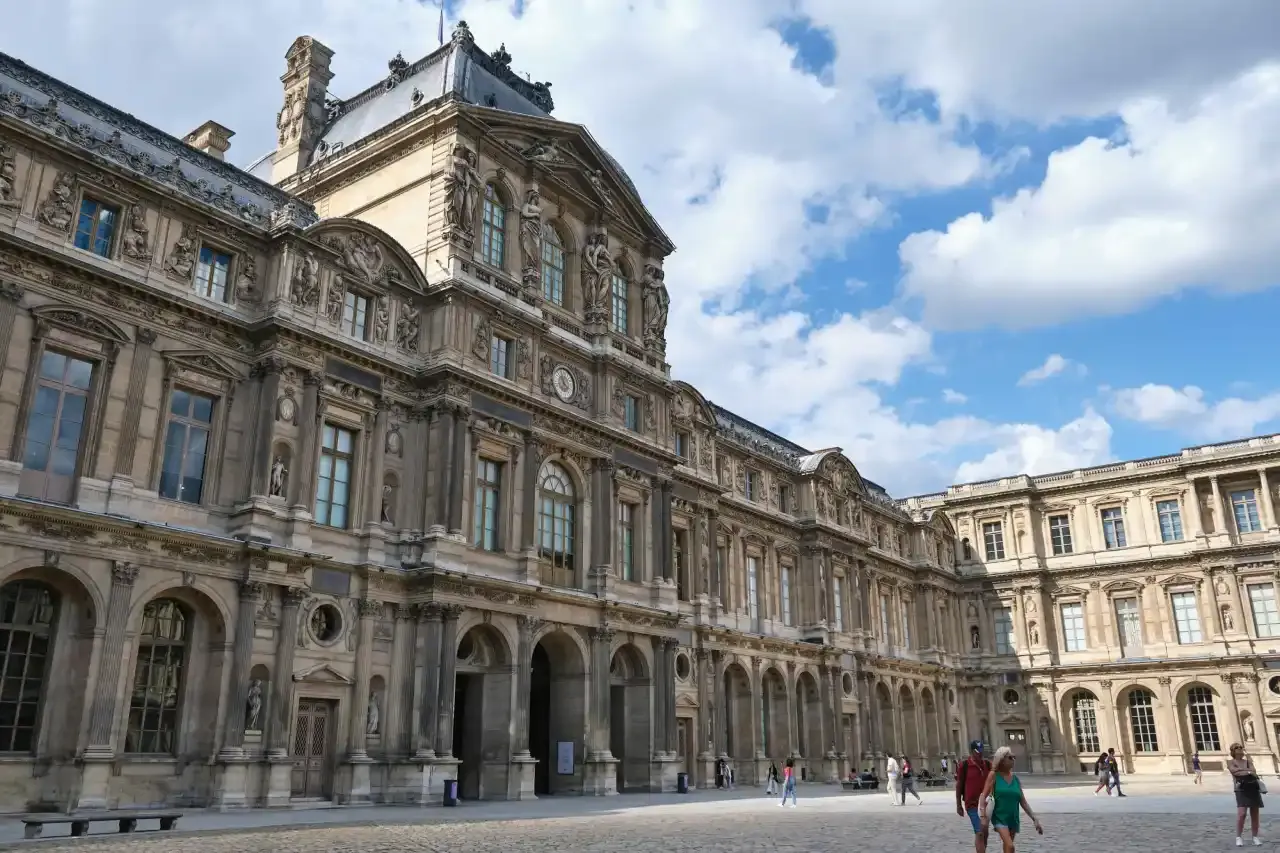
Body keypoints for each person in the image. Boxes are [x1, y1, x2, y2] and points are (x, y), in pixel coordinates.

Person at [979, 745, 1043, 853]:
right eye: (1010, 757)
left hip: (1013, 818)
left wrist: (1034, 818)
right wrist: (982, 814)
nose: (1013, 760)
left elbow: (1023, 801)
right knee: (1011, 846)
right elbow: (983, 795)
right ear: (1001, 760)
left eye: (1014, 757)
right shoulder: (994, 775)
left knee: (1007, 849)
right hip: (1000, 817)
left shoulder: (1015, 779)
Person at [957, 740, 993, 853]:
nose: (980, 754)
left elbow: (994, 780)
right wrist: (958, 805)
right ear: (972, 751)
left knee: (984, 832)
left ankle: (982, 849)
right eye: (977, 752)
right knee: (980, 831)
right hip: (971, 804)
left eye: (981, 751)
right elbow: (959, 785)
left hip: (986, 804)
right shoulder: (965, 765)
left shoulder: (987, 764)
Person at [1229, 742, 1265, 846]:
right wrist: (1248, 771)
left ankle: (1255, 837)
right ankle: (1238, 837)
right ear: (1233, 751)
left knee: (1255, 814)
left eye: (1241, 747)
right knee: (1242, 814)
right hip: (1241, 789)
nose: (1240, 749)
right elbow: (1234, 772)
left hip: (1253, 788)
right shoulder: (1231, 762)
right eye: (1237, 748)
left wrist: (1246, 771)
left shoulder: (1248, 761)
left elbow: (1254, 772)